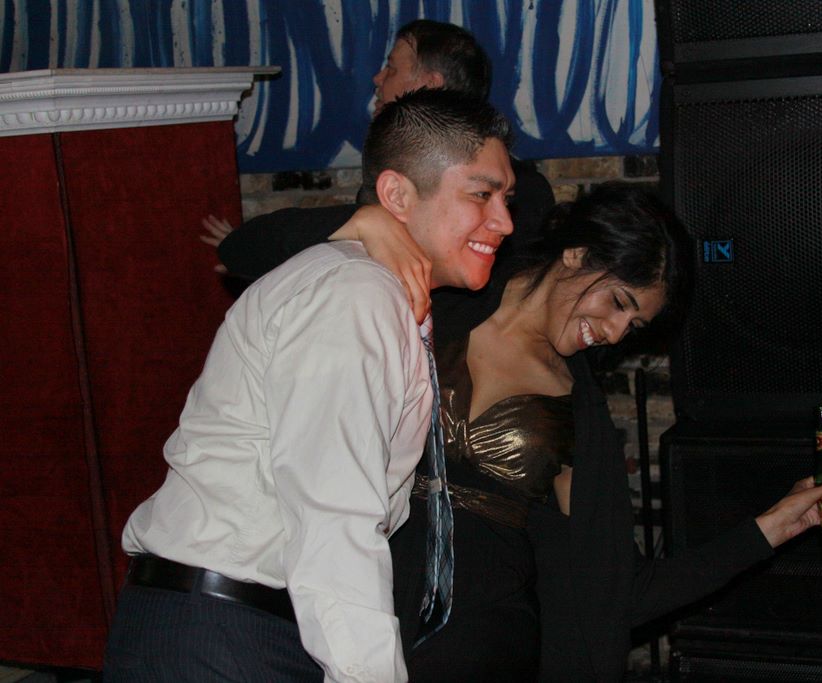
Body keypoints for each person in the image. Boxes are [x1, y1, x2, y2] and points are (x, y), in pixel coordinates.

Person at [223, 182, 822, 681]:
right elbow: (246, 251)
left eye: (633, 327)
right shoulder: (441, 294)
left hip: (483, 648)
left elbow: (619, 589)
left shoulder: (577, 415)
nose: (615, 333)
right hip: (343, 618)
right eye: (618, 303)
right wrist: (368, 223)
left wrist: (769, 528)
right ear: (577, 255)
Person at [102, 88, 515, 683]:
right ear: (397, 195)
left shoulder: (375, 289)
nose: (503, 221)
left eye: (506, 199)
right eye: (481, 194)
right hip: (223, 634)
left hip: (235, 626)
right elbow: (335, 512)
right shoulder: (355, 294)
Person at [204, 18, 554, 320]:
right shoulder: (386, 203)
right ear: (395, 194)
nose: (377, 78)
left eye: (392, 68)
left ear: (429, 85)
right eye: (482, 194)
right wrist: (366, 221)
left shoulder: (528, 193)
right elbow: (241, 252)